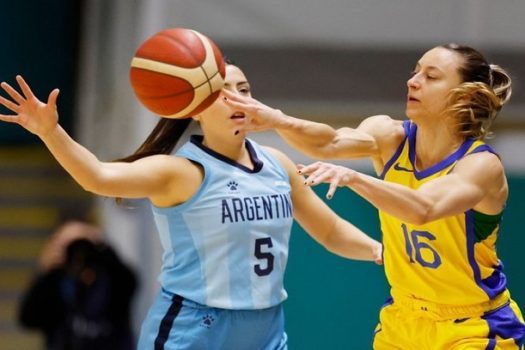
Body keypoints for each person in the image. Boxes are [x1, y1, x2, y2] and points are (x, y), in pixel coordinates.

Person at [0, 62, 381, 350]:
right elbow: (97, 176)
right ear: (195, 109)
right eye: (222, 91)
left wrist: (381, 252)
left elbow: (329, 230)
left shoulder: (278, 165)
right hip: (197, 327)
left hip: (266, 326)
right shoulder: (181, 172)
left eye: (244, 89)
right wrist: (50, 131)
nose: (237, 98)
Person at [222, 43, 525, 349]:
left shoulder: (481, 165)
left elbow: (424, 207)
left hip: (474, 326)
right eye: (415, 71)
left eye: (431, 76)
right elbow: (330, 143)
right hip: (403, 320)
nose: (413, 80)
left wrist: (354, 178)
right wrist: (277, 119)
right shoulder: (389, 135)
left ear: (466, 96)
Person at [18, 219, 137, 350]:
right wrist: (45, 270)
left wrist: (99, 244)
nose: (78, 254)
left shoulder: (111, 278)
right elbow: (27, 319)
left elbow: (131, 283)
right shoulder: (54, 282)